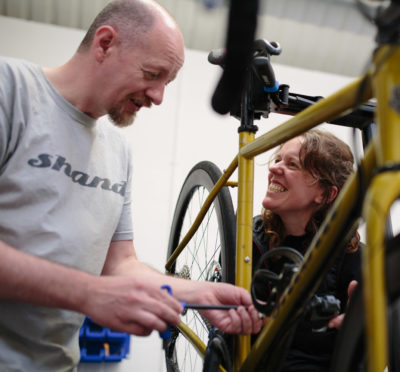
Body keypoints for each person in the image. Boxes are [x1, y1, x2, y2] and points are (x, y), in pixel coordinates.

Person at [0, 0, 262, 370]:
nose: (158, 97)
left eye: (167, 83)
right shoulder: (10, 91)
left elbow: (121, 266)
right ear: (105, 44)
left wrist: (198, 294)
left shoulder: (117, 150)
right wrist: (90, 293)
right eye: (152, 74)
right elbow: (101, 286)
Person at [252, 129, 361, 371]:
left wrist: (358, 334)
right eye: (278, 159)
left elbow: (375, 357)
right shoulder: (249, 238)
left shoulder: (352, 255)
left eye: (292, 164)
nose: (274, 168)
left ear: (326, 193)